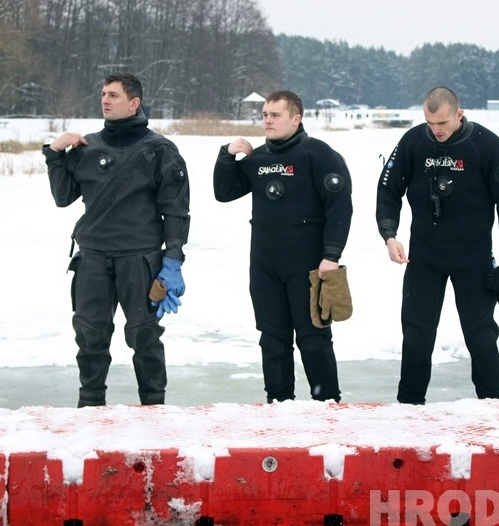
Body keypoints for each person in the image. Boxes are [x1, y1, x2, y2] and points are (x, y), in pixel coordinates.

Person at [43, 72, 190, 407]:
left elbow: (177, 211)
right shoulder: (87, 148)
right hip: (93, 258)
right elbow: (63, 196)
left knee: (144, 335)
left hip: (139, 259)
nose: (105, 100)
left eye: (113, 95)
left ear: (134, 103)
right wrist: (55, 155)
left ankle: (153, 405)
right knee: (90, 335)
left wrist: (173, 259)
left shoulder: (160, 151)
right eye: (103, 94)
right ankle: (90, 405)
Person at [376, 86, 499, 405]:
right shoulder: (414, 142)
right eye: (430, 123)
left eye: (442, 123)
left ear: (459, 114)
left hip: (472, 259)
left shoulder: (487, 146)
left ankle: (492, 405)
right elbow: (388, 191)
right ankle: (409, 408)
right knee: (416, 336)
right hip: (424, 258)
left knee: (481, 336)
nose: (436, 130)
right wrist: (389, 235)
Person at [213, 90, 353, 403]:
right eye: (265, 115)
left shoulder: (319, 155)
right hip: (265, 265)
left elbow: (340, 207)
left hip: (308, 265)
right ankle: (278, 404)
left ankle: (327, 402)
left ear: (296, 118)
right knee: (272, 339)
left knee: (313, 338)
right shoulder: (259, 158)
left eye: (275, 115)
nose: (267, 120)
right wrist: (226, 155)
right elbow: (224, 192)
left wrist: (332, 255)